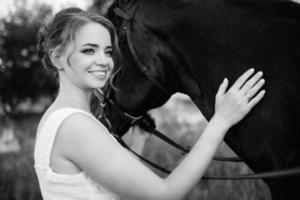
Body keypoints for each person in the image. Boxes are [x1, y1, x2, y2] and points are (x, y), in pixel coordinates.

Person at [34, 7, 266, 200]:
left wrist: (137, 145)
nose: (104, 61)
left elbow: (101, 188)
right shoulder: (76, 125)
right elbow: (165, 194)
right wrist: (220, 121)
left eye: (107, 51)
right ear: (57, 58)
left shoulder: (56, 117)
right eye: (88, 50)